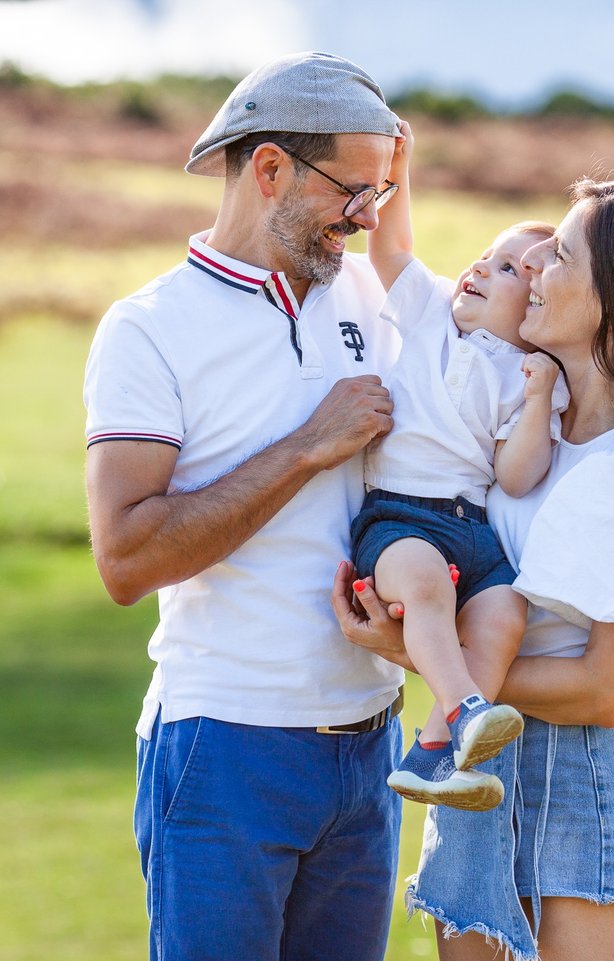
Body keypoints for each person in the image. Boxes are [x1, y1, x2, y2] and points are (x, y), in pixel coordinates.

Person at [334, 178, 614, 961]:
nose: (536, 267)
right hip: (471, 780)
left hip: (575, 785)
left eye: (560, 255)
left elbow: (601, 688)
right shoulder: (525, 421)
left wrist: (429, 663)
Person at [82, 53, 408, 961]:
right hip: (224, 749)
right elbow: (127, 557)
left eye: (383, 189)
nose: (368, 215)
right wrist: (307, 446)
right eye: (352, 188)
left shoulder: (373, 297)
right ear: (269, 170)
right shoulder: (149, 328)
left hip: (372, 746)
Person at [355, 121, 569, 812]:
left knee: (506, 608)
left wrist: (537, 400)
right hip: (399, 516)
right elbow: (390, 243)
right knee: (423, 585)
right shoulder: (430, 315)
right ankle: (469, 709)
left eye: (509, 270)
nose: (480, 268)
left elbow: (516, 475)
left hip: (473, 530)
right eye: (487, 255)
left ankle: (430, 752)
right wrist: (398, 167)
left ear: (537, 305)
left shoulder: (533, 373)